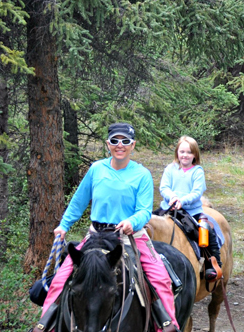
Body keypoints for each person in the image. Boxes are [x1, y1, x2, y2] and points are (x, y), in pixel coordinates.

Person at [32, 123, 179, 332]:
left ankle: (167, 324)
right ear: (108, 144)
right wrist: (64, 225)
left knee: (160, 279)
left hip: (131, 236)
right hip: (96, 234)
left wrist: (132, 222)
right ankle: (45, 325)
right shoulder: (96, 169)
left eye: (125, 141)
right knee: (60, 279)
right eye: (115, 141)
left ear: (133, 145)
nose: (120, 145)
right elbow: (79, 201)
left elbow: (145, 210)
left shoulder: (142, 174)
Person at [158, 136, 222, 281]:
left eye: (189, 152)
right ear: (177, 153)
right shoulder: (170, 169)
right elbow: (164, 187)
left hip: (191, 211)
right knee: (150, 223)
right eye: (182, 152)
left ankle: (213, 263)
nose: (185, 155)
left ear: (195, 155)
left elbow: (197, 192)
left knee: (206, 230)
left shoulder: (197, 171)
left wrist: (182, 200)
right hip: (168, 207)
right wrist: (172, 197)